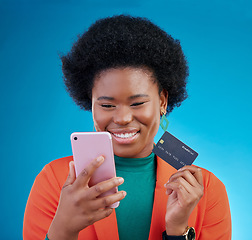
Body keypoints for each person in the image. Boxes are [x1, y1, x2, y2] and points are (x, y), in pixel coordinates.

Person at [23, 15, 231, 240]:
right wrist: (63, 229)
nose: (122, 118)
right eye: (107, 105)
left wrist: (178, 231)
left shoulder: (207, 190)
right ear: (90, 104)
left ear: (162, 101)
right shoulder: (54, 181)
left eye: (137, 103)